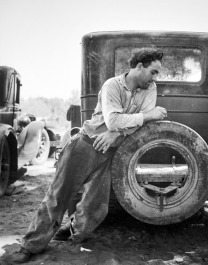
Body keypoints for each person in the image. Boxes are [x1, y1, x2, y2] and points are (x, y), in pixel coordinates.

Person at [11, 48, 167, 263]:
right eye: (153, 71)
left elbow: (135, 126)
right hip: (85, 145)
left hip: (112, 151)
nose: (155, 78)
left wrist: (117, 134)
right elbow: (115, 120)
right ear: (139, 66)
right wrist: (147, 115)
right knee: (58, 197)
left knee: (96, 206)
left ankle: (74, 233)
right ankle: (30, 245)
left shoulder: (150, 88)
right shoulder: (112, 85)